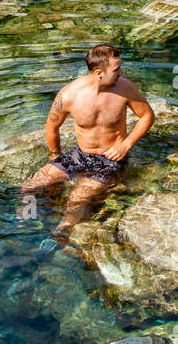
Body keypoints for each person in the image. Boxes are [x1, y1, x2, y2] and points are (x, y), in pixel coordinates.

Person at [20, 44, 154, 241]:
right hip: (79, 155)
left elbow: (147, 116)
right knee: (29, 187)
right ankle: (20, 230)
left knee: (76, 199)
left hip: (110, 159)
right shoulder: (69, 94)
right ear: (99, 72)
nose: (122, 72)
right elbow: (51, 127)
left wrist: (126, 144)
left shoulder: (126, 88)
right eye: (116, 69)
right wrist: (54, 154)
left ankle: (59, 237)